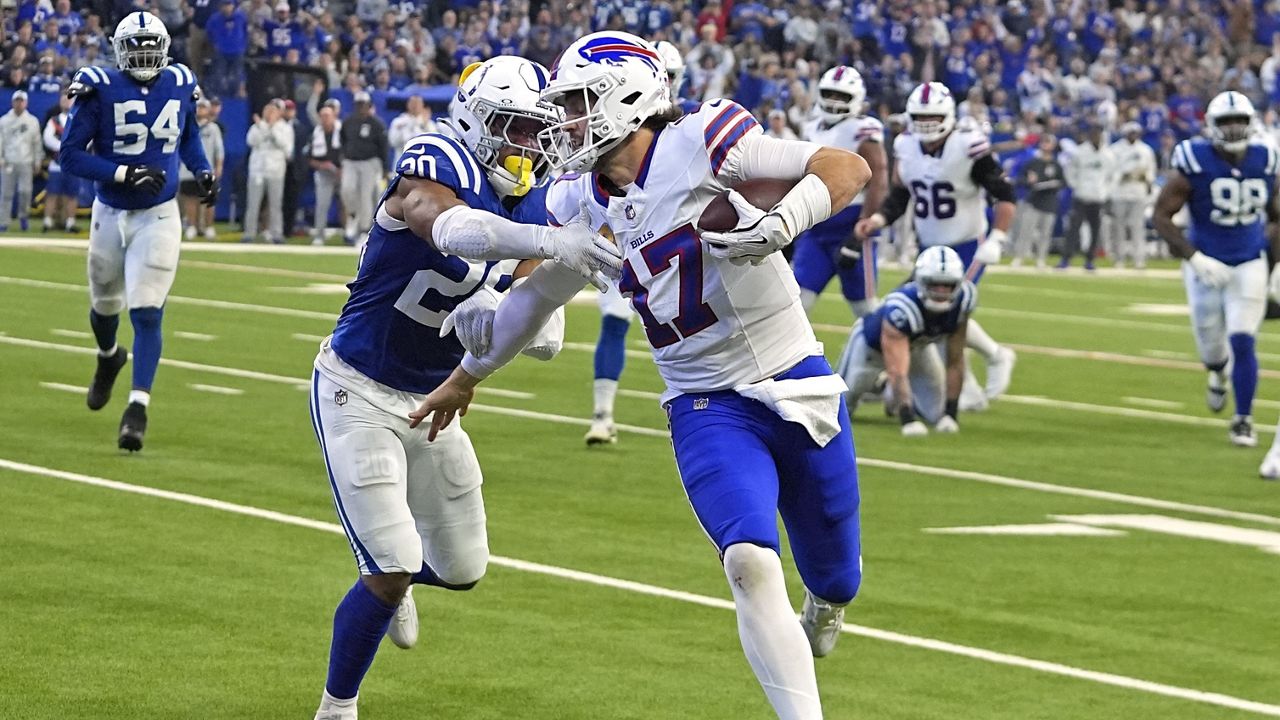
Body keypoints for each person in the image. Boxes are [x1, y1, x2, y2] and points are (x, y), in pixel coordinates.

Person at [412, 32, 871, 720]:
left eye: (574, 104)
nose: (561, 124)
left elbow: (845, 166)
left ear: (625, 98)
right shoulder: (576, 198)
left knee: (836, 575)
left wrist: (781, 222)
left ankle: (828, 604)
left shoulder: (704, 139)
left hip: (795, 376)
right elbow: (536, 297)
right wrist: (468, 374)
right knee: (748, 562)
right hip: (705, 404)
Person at [307, 56, 620, 720]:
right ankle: (337, 706)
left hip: (433, 401)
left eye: (538, 132)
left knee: (462, 569)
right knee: (390, 565)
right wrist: (548, 241)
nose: (528, 146)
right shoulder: (436, 158)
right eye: (514, 127)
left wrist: (497, 315)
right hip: (358, 386)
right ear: (478, 120)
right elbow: (448, 226)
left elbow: (546, 336)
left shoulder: (536, 195)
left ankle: (387, 583)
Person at [60, 11, 217, 451]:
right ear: (119, 51)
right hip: (109, 212)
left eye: (153, 49)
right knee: (105, 303)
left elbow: (187, 137)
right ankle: (109, 357)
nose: (146, 57)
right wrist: (124, 173)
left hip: (159, 214)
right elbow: (70, 156)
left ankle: (137, 408)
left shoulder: (180, 82)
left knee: (147, 309)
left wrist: (202, 170)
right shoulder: (99, 88)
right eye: (137, 48)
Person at [853, 81, 1017, 409]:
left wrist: (998, 238)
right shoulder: (906, 146)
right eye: (920, 116)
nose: (926, 123)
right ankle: (966, 389)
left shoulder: (968, 144)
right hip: (930, 248)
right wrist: (880, 221)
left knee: (944, 310)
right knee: (930, 315)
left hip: (967, 242)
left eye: (932, 116)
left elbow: (1006, 194)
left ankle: (996, 356)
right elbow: (901, 194)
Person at [1152, 91, 1279, 448]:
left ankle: (1244, 419)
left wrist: (1277, 265)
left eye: (1240, 121)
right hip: (1206, 264)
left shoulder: (1266, 158)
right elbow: (1161, 216)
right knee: (1211, 347)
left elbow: (1278, 216)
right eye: (1227, 122)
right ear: (1212, 126)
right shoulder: (1194, 159)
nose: (1235, 128)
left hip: (1249, 260)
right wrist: (1194, 257)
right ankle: (1216, 374)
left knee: (1243, 338)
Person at [582, 40, 693, 446]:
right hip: (625, 241)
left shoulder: (692, 127)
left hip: (681, 249)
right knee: (616, 323)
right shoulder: (607, 134)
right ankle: (602, 414)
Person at [836, 245, 975, 435]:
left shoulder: (964, 300)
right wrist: (907, 418)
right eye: (934, 284)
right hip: (871, 347)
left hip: (918, 347)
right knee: (840, 409)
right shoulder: (902, 308)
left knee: (935, 414)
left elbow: (956, 359)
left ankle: (887, 390)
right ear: (920, 281)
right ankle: (882, 387)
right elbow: (898, 370)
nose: (941, 292)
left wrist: (950, 414)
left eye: (947, 285)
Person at [794, 65, 888, 319]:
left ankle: (890, 352)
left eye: (842, 96)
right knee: (796, 303)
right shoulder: (811, 127)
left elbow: (879, 176)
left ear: (855, 99)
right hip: (816, 224)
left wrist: (864, 225)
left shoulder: (863, 128)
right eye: (830, 94)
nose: (834, 102)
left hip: (850, 223)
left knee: (865, 307)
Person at [1058, 123, 1115, 270]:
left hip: (1098, 197)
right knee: (1074, 227)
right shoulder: (1080, 152)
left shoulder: (1108, 154)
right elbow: (1069, 171)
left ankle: (1090, 259)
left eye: (1098, 135)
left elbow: (1113, 176)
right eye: (1094, 135)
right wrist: (1075, 185)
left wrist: (1106, 191)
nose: (1096, 138)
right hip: (1081, 196)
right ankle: (1066, 258)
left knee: (1095, 229)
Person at [339, 90, 389, 245]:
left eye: (363, 104)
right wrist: (343, 157)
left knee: (366, 196)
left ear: (369, 106)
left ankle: (363, 229)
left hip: (369, 162)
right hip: (350, 161)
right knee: (347, 190)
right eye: (358, 104)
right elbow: (343, 140)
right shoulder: (348, 122)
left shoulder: (376, 124)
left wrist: (384, 169)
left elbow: (383, 147)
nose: (361, 108)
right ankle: (353, 214)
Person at [242, 98, 294, 243]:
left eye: (273, 111)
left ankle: (276, 234)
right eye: (267, 110)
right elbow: (252, 142)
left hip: (276, 171)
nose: (269, 113)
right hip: (257, 170)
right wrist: (263, 127)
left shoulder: (285, 128)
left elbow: (287, 148)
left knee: (275, 205)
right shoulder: (256, 127)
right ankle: (249, 233)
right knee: (253, 204)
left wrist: (271, 130)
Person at [1108, 121, 1157, 268]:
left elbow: (1151, 170)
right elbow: (1110, 170)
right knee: (1119, 227)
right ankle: (1119, 259)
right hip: (1120, 191)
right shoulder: (1115, 149)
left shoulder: (1145, 150)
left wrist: (1146, 179)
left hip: (1138, 190)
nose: (1133, 136)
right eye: (1131, 133)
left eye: (1135, 133)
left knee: (1137, 227)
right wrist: (1122, 175)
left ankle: (1139, 259)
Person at [1012, 134, 1063, 269]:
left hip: (1050, 202)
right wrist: (1028, 181)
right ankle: (1019, 257)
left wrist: (1054, 185)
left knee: (1045, 234)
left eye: (1049, 142)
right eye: (1044, 142)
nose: (1046, 145)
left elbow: (1063, 182)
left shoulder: (1056, 164)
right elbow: (1019, 179)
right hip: (1034, 201)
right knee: (1026, 231)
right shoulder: (1033, 162)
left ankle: (1041, 259)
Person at [179, 98, 225, 240]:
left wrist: (219, 167)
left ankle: (208, 227)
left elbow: (219, 150)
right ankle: (192, 226)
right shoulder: (186, 126)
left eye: (203, 107)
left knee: (209, 199)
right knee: (190, 199)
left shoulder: (213, 128)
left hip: (207, 168)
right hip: (187, 170)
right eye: (199, 107)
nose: (201, 110)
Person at [0, 90, 42, 231]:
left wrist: (37, 161)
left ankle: (23, 217)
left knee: (25, 191)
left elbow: (36, 142)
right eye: (17, 101)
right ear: (13, 102)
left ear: (26, 103)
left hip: (26, 161)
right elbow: (1, 141)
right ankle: (3, 222)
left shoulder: (32, 121)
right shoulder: (4, 121)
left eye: (21, 101)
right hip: (8, 162)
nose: (19, 104)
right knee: (6, 193)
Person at [42, 91, 80, 233]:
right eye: (63, 100)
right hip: (56, 163)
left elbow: (85, 138)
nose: (66, 102)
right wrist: (62, 147)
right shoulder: (54, 120)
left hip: (72, 163)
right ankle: (48, 221)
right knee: (52, 193)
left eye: (68, 100)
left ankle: (70, 222)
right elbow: (47, 138)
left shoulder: (78, 119)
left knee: (72, 194)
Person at [308, 103, 342, 245]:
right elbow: (309, 158)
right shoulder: (315, 134)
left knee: (349, 203)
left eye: (327, 116)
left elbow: (351, 151)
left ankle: (352, 234)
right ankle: (319, 235)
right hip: (323, 173)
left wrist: (344, 169)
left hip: (343, 172)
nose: (325, 118)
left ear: (334, 116)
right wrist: (321, 165)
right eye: (322, 116)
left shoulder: (343, 131)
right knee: (322, 205)